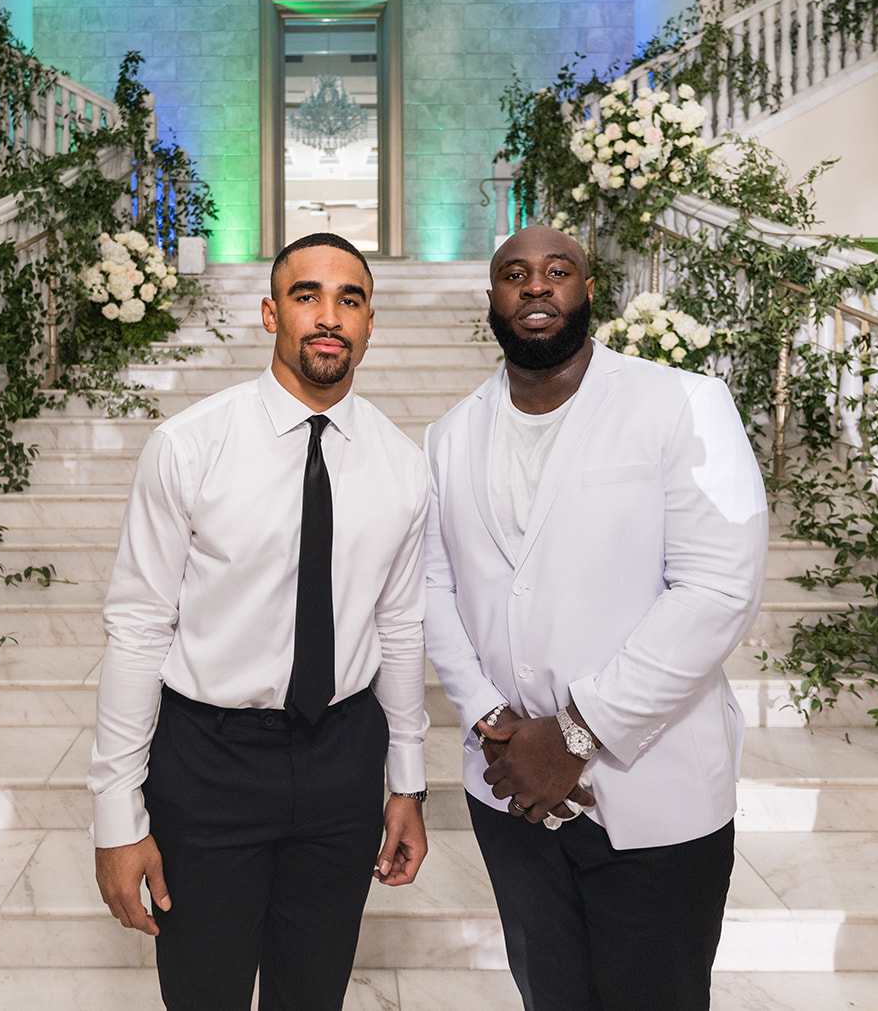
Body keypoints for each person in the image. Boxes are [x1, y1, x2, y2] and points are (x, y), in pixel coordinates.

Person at [422, 225, 768, 1011]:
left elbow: (718, 588)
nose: (535, 286)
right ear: (492, 300)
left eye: (557, 270)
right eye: (515, 273)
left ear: (587, 291)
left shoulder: (682, 402)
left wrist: (577, 732)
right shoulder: (447, 438)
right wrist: (489, 720)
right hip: (509, 791)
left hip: (655, 796)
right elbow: (430, 591)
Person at [89, 232, 431, 1011]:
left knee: (313, 995)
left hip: (342, 756)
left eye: (350, 299)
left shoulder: (402, 465)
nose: (329, 316)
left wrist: (406, 781)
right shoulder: (189, 446)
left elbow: (402, 624)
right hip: (208, 761)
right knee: (203, 993)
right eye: (308, 295)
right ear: (271, 312)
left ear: (371, 322)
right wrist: (117, 813)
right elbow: (139, 626)